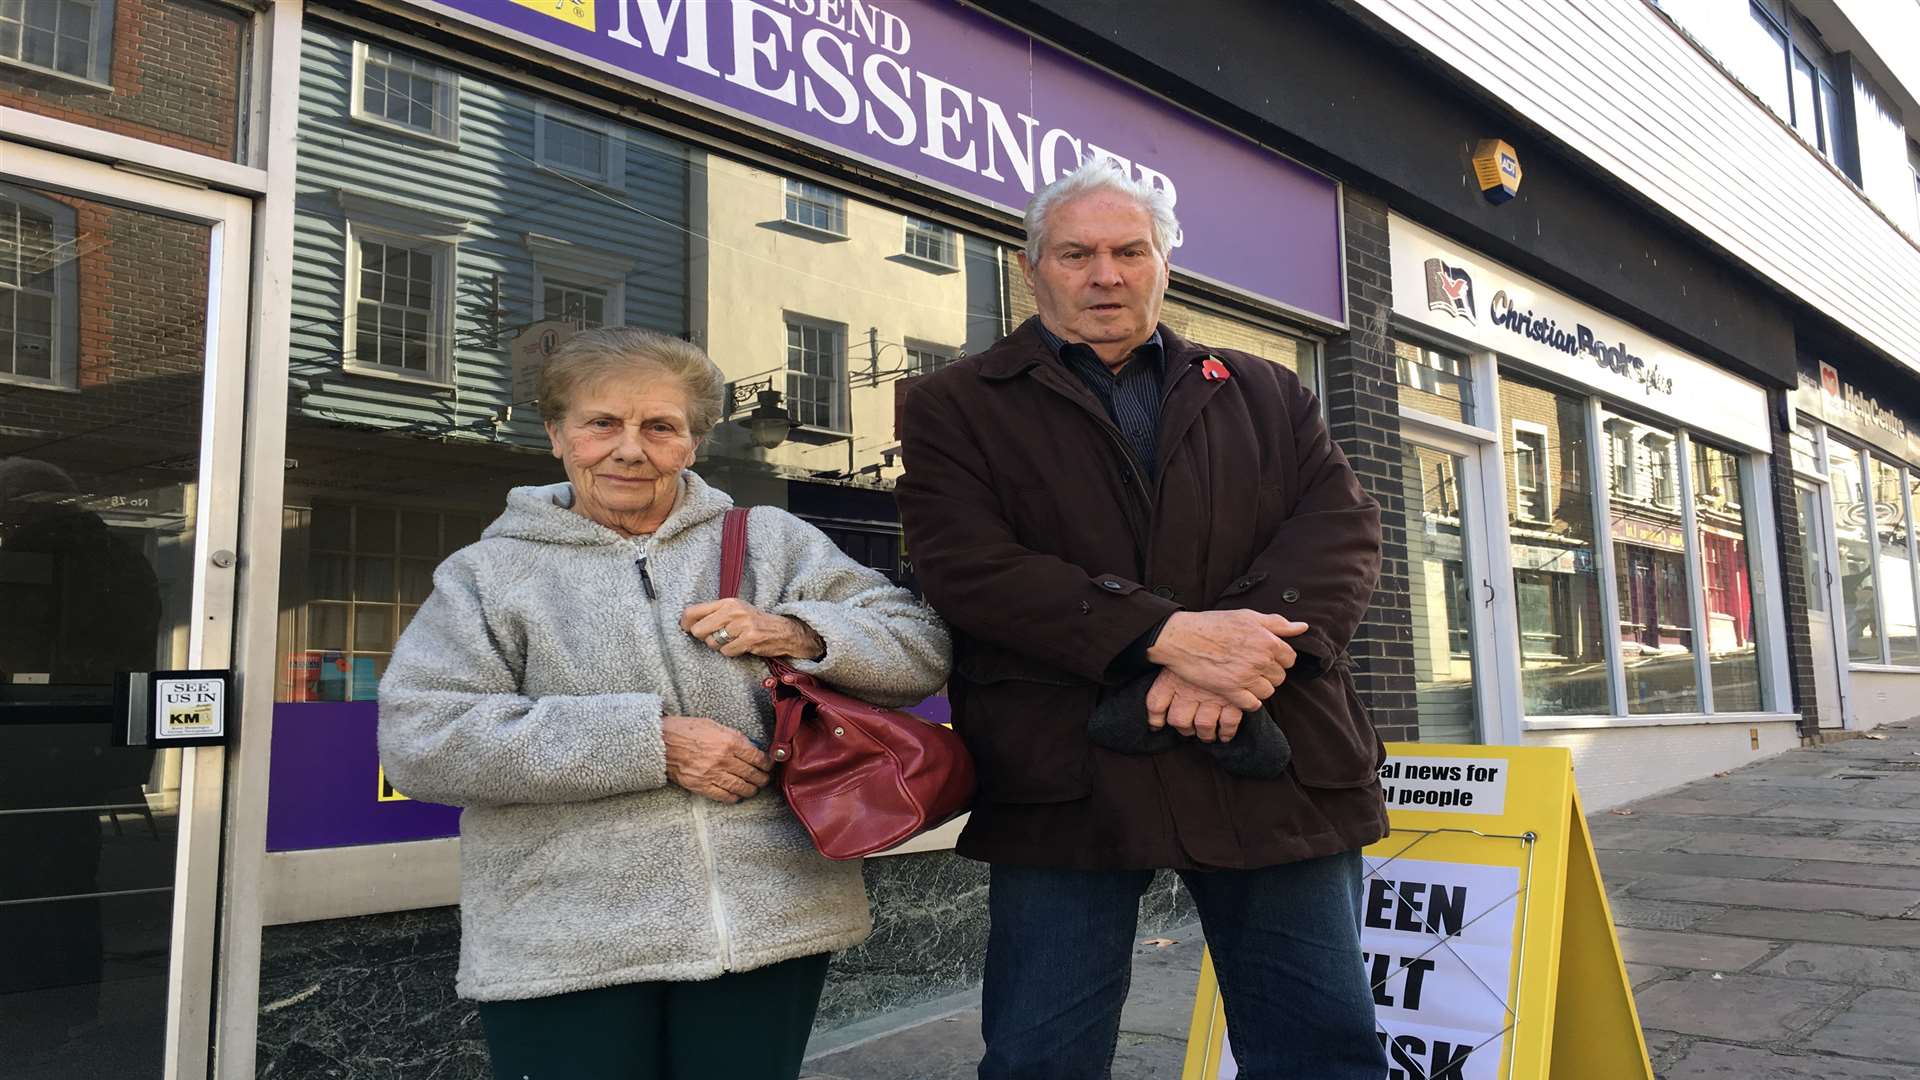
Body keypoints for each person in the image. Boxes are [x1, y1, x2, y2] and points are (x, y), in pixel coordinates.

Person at [895, 161, 1391, 1079]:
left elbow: (1340, 536)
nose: (1106, 274)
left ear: (1166, 263)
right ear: (1030, 266)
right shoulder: (954, 406)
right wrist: (1167, 639)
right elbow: (968, 567)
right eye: (1076, 253)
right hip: (1066, 767)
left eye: (1130, 251)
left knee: (1321, 1049)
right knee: (1042, 1054)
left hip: (1267, 745)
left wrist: (1233, 662)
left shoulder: (1269, 390)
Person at [378, 328, 952, 1080]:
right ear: (557, 435)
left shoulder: (771, 543)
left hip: (765, 926)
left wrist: (796, 629)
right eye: (601, 424)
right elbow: (424, 738)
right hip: (565, 942)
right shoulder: (490, 576)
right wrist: (650, 741)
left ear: (694, 443)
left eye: (659, 427)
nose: (628, 449)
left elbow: (921, 648)